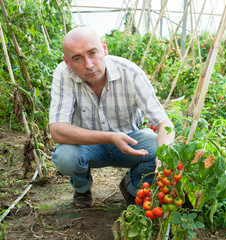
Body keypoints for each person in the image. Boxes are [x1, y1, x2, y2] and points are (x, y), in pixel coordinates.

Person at [49, 27, 175, 208]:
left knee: (158, 147)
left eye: (93, 53)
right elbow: (57, 131)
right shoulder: (63, 75)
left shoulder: (130, 73)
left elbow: (165, 124)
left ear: (104, 48)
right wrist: (110, 137)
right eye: (77, 58)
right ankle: (82, 188)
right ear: (67, 62)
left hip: (129, 142)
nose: (89, 64)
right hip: (88, 147)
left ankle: (133, 188)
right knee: (66, 156)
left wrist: (164, 160)